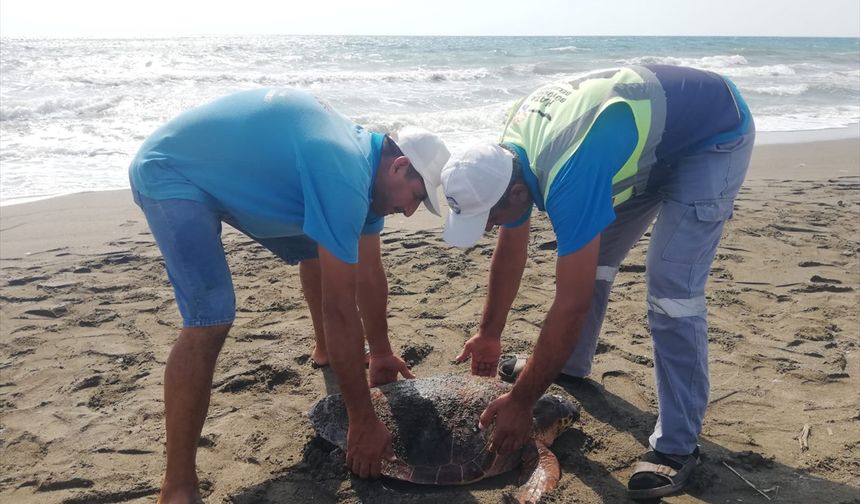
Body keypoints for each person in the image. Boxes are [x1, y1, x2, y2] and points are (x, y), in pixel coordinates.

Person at [441, 65, 753, 500]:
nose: (489, 227)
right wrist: (488, 333)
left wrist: (522, 401)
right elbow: (511, 244)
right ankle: (570, 365)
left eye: (487, 217)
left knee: (671, 292)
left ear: (514, 194)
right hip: (643, 146)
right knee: (600, 258)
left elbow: (572, 301)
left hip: (711, 135)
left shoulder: (569, 175)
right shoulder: (506, 158)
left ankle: (678, 446)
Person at [128, 88, 450, 504]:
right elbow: (340, 307)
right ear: (400, 166)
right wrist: (362, 420)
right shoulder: (344, 173)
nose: (409, 212)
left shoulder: (368, 181)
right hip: (172, 171)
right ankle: (178, 486)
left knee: (323, 249)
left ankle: (325, 351)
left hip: (232, 173)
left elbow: (369, 275)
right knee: (211, 317)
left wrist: (382, 352)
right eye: (417, 197)